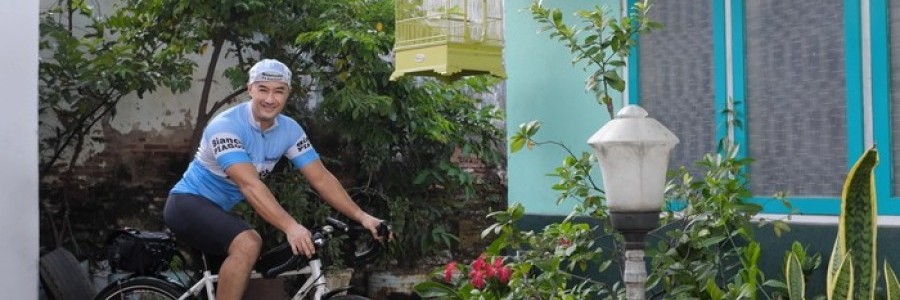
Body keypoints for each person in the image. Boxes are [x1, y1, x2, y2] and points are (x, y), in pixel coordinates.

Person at [164, 59, 388, 299]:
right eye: (263, 89)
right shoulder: (225, 126)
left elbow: (321, 177)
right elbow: (250, 184)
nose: (270, 99)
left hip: (219, 211)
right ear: (250, 89)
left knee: (251, 275)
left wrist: (363, 217)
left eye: (278, 91)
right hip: (186, 203)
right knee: (248, 243)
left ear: (287, 94)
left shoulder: (289, 130)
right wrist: (291, 227)